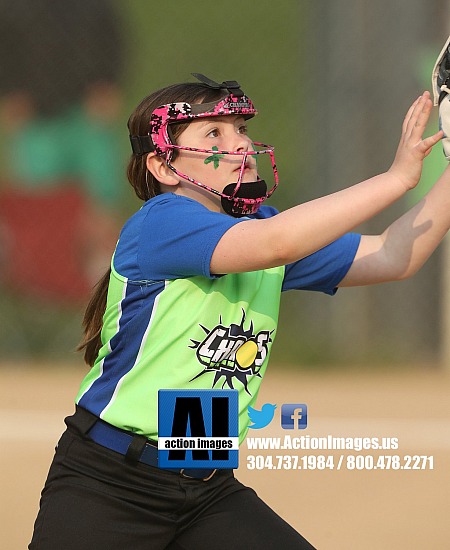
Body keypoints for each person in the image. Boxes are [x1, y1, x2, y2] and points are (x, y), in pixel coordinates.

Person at [29, 71, 450, 550]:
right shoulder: (164, 223)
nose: (242, 144)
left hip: (205, 486)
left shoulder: (259, 231)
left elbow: (396, 255)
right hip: (109, 484)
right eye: (215, 133)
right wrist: (396, 178)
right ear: (164, 168)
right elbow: (277, 243)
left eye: (242, 130)